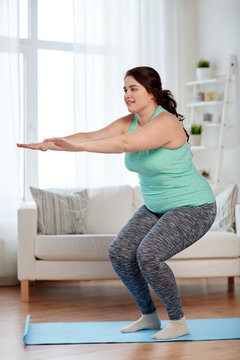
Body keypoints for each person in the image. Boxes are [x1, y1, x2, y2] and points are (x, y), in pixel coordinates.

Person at [17, 66, 217, 340]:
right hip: (157, 206)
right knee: (120, 252)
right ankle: (149, 316)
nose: (127, 94)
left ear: (152, 91)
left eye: (133, 89)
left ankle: (178, 320)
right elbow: (93, 136)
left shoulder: (166, 122)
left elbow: (123, 144)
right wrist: (52, 145)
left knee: (148, 255)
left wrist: (79, 147)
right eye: (125, 89)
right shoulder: (131, 120)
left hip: (193, 207)